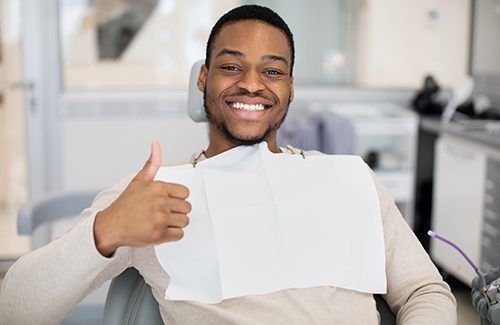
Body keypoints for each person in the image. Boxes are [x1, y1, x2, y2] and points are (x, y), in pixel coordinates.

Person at [0, 5, 456, 324]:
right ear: (203, 78)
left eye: (273, 71)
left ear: (291, 88)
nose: (252, 84)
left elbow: (424, 291)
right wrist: (105, 231)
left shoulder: (348, 179)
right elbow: (15, 309)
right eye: (232, 67)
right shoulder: (157, 193)